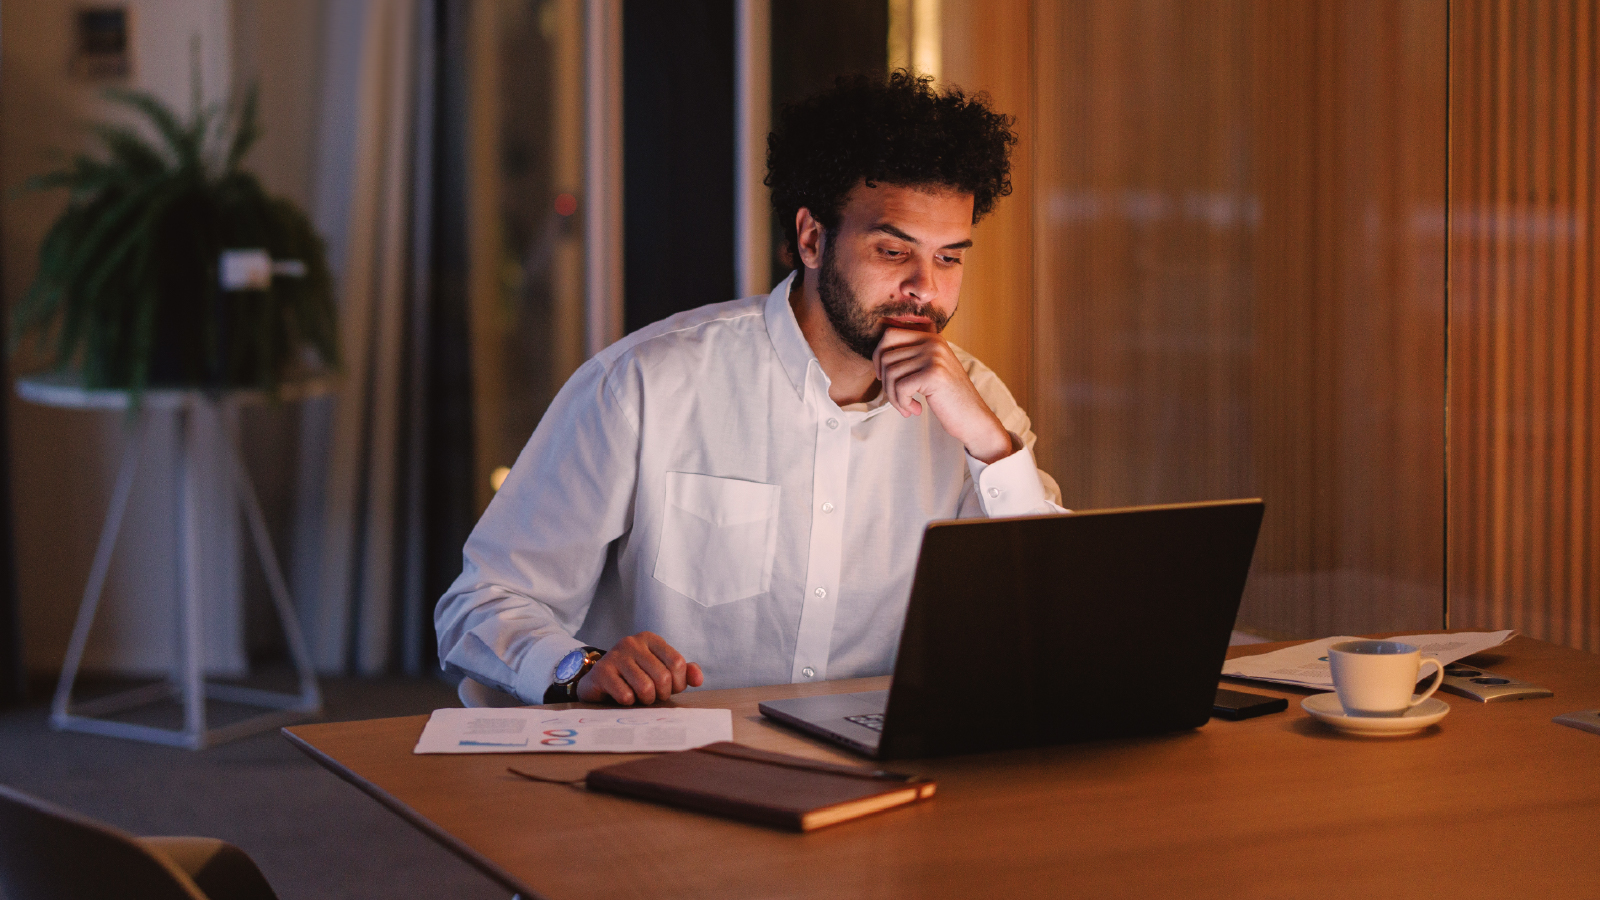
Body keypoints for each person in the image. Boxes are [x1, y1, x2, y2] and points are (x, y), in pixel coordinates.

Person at [435, 71, 1063, 707]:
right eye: (893, 251)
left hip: (875, 773)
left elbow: (1055, 620)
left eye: (950, 258)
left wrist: (990, 447)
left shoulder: (978, 410)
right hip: (663, 764)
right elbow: (482, 603)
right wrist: (579, 665)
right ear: (813, 239)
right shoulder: (647, 384)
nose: (926, 288)